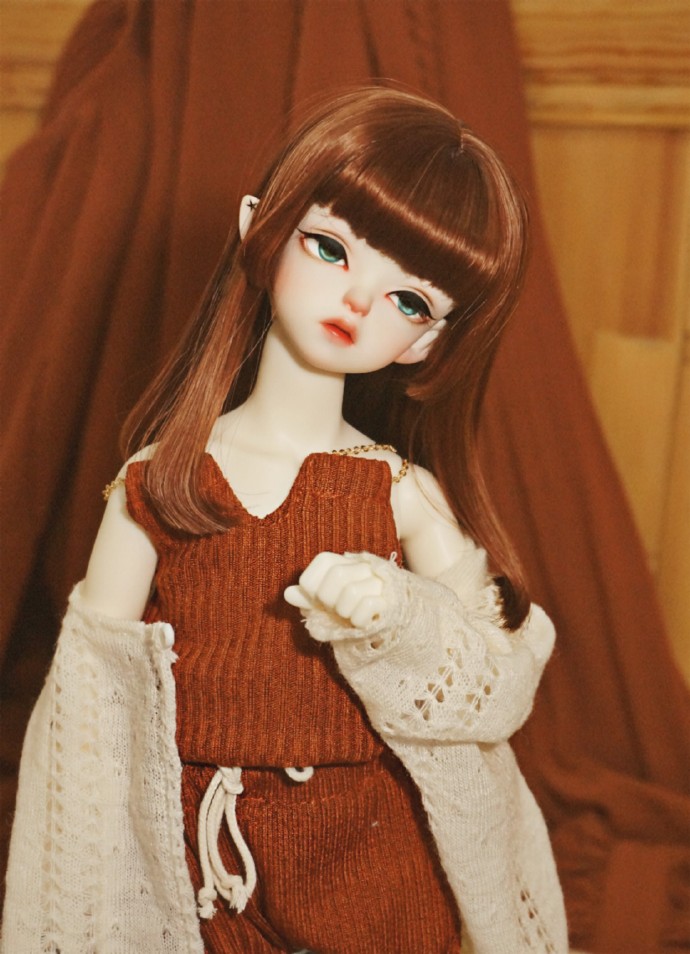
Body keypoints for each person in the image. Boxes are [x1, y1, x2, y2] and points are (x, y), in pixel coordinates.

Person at [2, 86, 567, 953]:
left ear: (428, 341)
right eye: (330, 248)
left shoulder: (400, 492)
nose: (359, 300)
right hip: (201, 856)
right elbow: (90, 702)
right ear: (258, 231)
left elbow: (499, 676)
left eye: (411, 301)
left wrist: (403, 613)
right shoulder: (158, 486)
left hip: (368, 851)